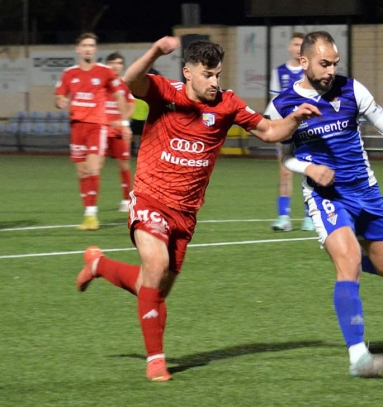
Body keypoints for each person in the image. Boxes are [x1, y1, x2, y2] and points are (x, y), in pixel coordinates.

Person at [75, 36, 320, 382]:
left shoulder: (227, 104)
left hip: (185, 214)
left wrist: (295, 117)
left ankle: (99, 264)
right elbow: (130, 81)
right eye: (208, 75)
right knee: (156, 268)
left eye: (218, 74)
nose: (215, 82)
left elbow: (269, 132)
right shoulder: (165, 93)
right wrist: (156, 52)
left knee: (153, 286)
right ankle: (156, 360)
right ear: (188, 73)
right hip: (149, 199)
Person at [266, 31, 383, 378]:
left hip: (366, 192)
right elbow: (285, 156)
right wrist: (309, 167)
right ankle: (358, 355)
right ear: (304, 62)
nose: (331, 70)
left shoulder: (352, 90)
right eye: (324, 63)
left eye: (335, 63)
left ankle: (347, 261)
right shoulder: (281, 105)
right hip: (326, 197)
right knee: (350, 261)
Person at [55, 32, 128, 231]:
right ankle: (87, 214)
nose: (88, 49)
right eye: (85, 45)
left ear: (95, 50)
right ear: (78, 49)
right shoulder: (69, 73)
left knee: (94, 168)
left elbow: (119, 96)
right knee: (82, 172)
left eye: (91, 45)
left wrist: (123, 122)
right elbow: (60, 95)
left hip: (97, 126)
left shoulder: (105, 72)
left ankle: (91, 214)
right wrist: (60, 101)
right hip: (77, 127)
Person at [269, 32, 314, 233]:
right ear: (289, 47)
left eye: (301, 45)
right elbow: (275, 103)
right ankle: (283, 218)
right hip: (286, 129)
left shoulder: (311, 71)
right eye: (295, 44)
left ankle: (309, 218)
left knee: (308, 173)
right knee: (285, 172)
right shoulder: (278, 72)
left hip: (307, 130)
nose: (297, 48)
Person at [104, 52, 135, 212]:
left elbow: (131, 106)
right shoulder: (101, 83)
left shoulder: (124, 84)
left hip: (118, 130)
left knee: (123, 165)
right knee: (93, 167)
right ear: (107, 65)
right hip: (101, 129)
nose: (116, 66)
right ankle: (90, 206)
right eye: (113, 63)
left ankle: (126, 200)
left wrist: (124, 123)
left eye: (119, 63)